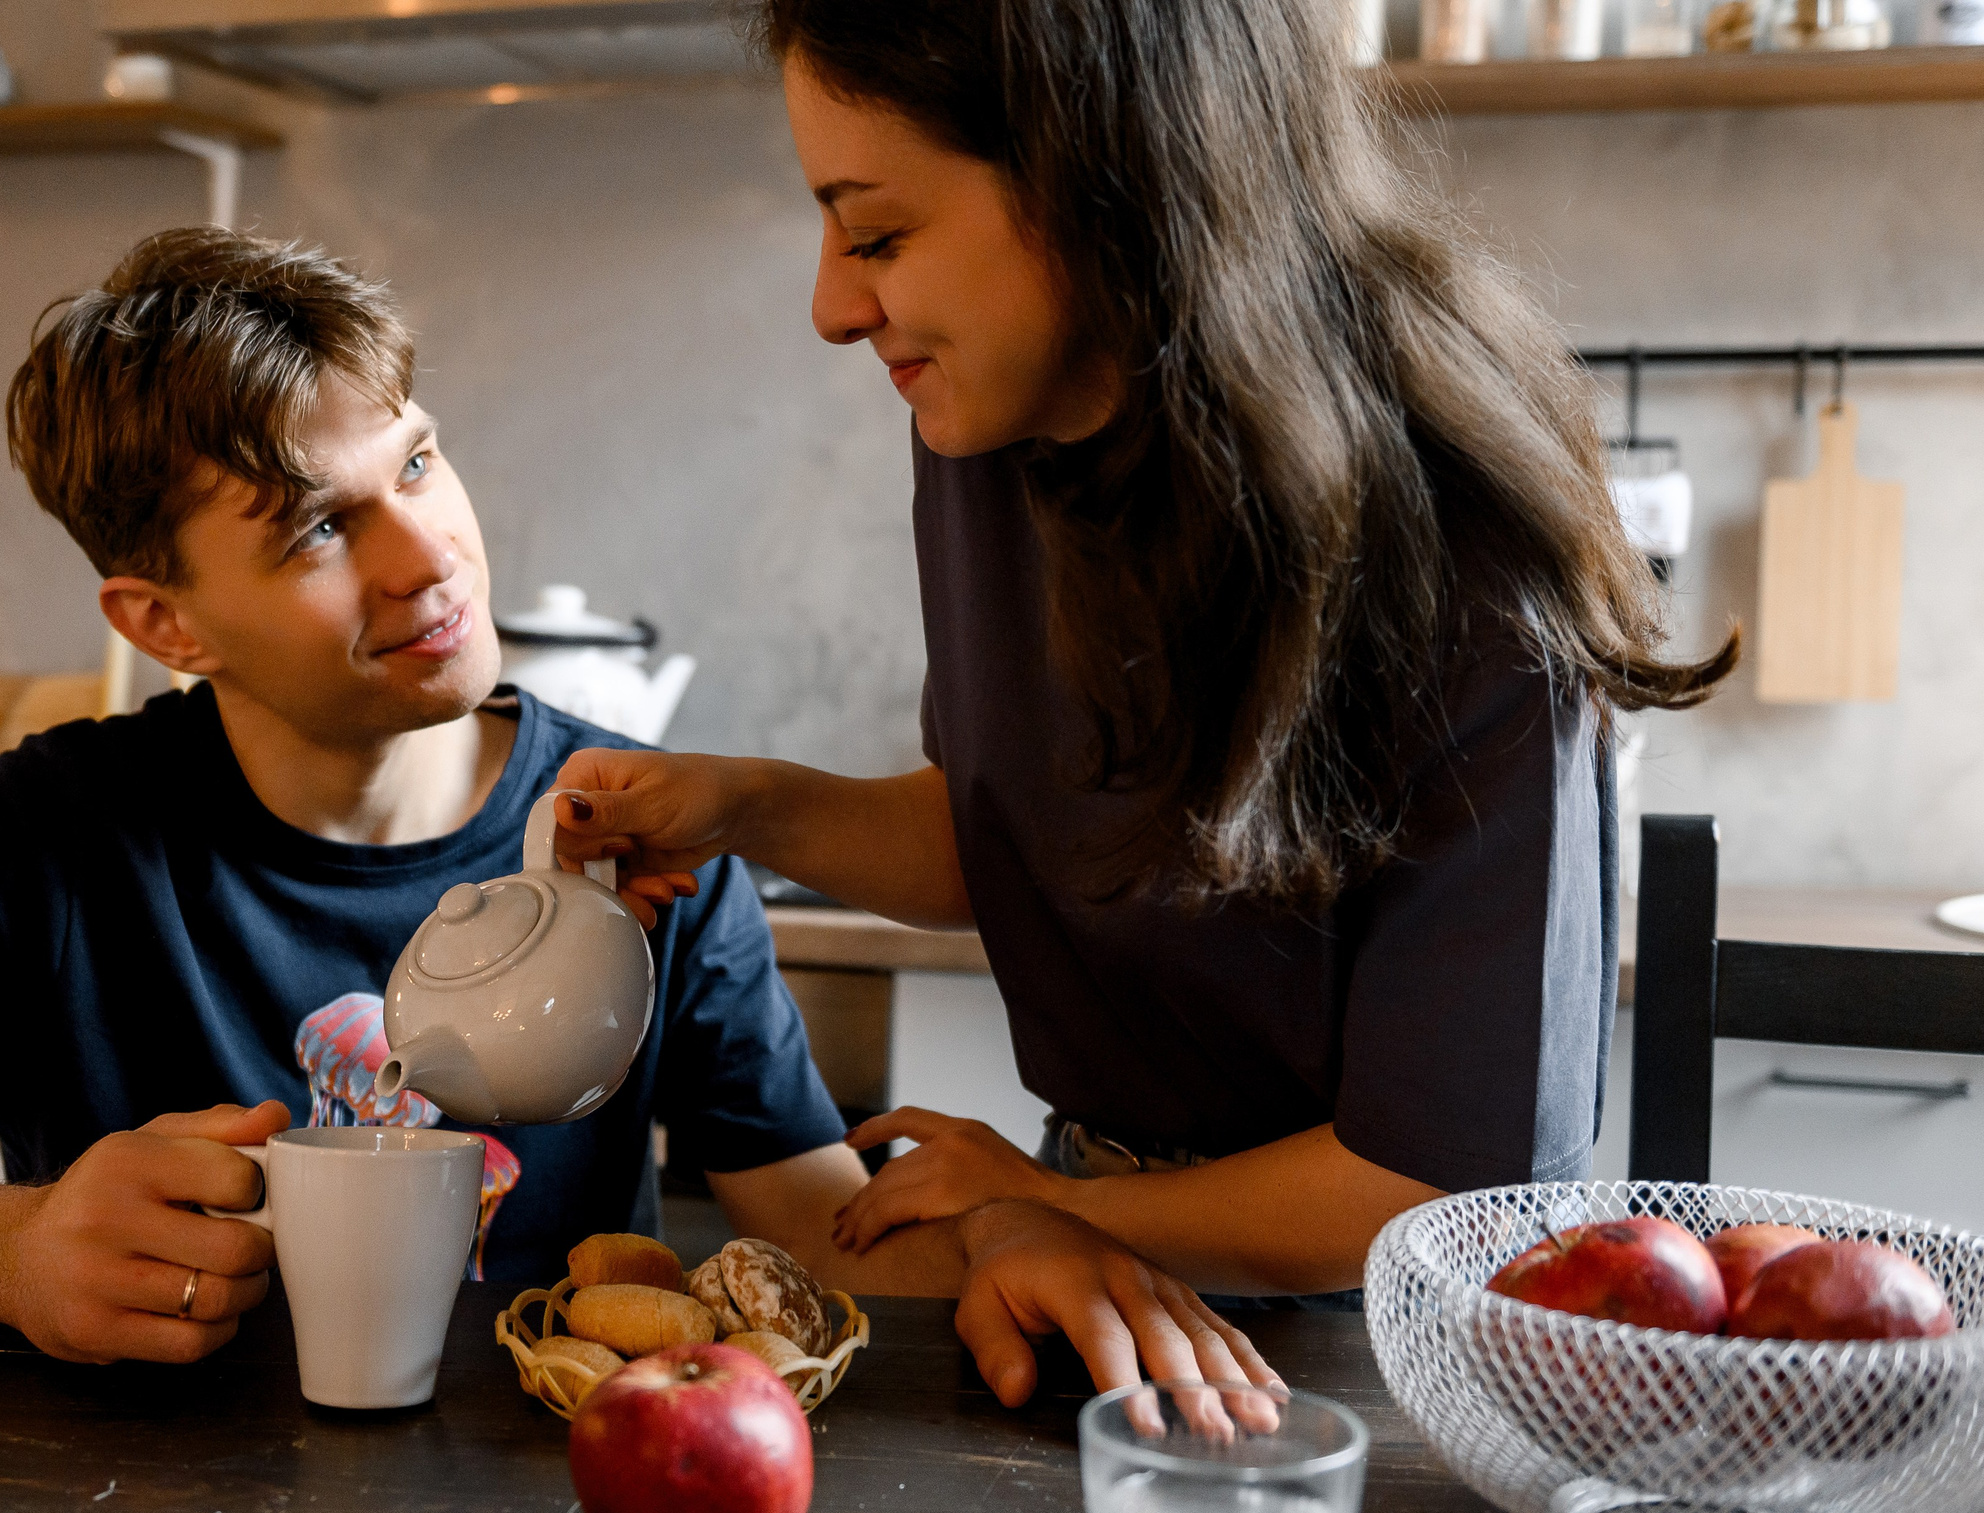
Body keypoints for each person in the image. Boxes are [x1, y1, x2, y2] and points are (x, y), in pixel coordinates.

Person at [0, 228, 977, 1366]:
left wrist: (1034, 1241)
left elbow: (822, 1238)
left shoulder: (642, 833)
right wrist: (6, 1252)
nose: (429, 559)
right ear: (166, 625)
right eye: (321, 530)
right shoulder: (57, 841)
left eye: (418, 460)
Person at [554, 0, 1736, 1389]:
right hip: (1085, 1249)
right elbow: (1034, 843)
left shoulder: (1462, 541)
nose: (834, 308)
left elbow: (1437, 1187)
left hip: (1384, 1336)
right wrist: (748, 806)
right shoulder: (997, 421)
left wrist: (1044, 1206)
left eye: (876, 236)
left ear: (1098, 180)